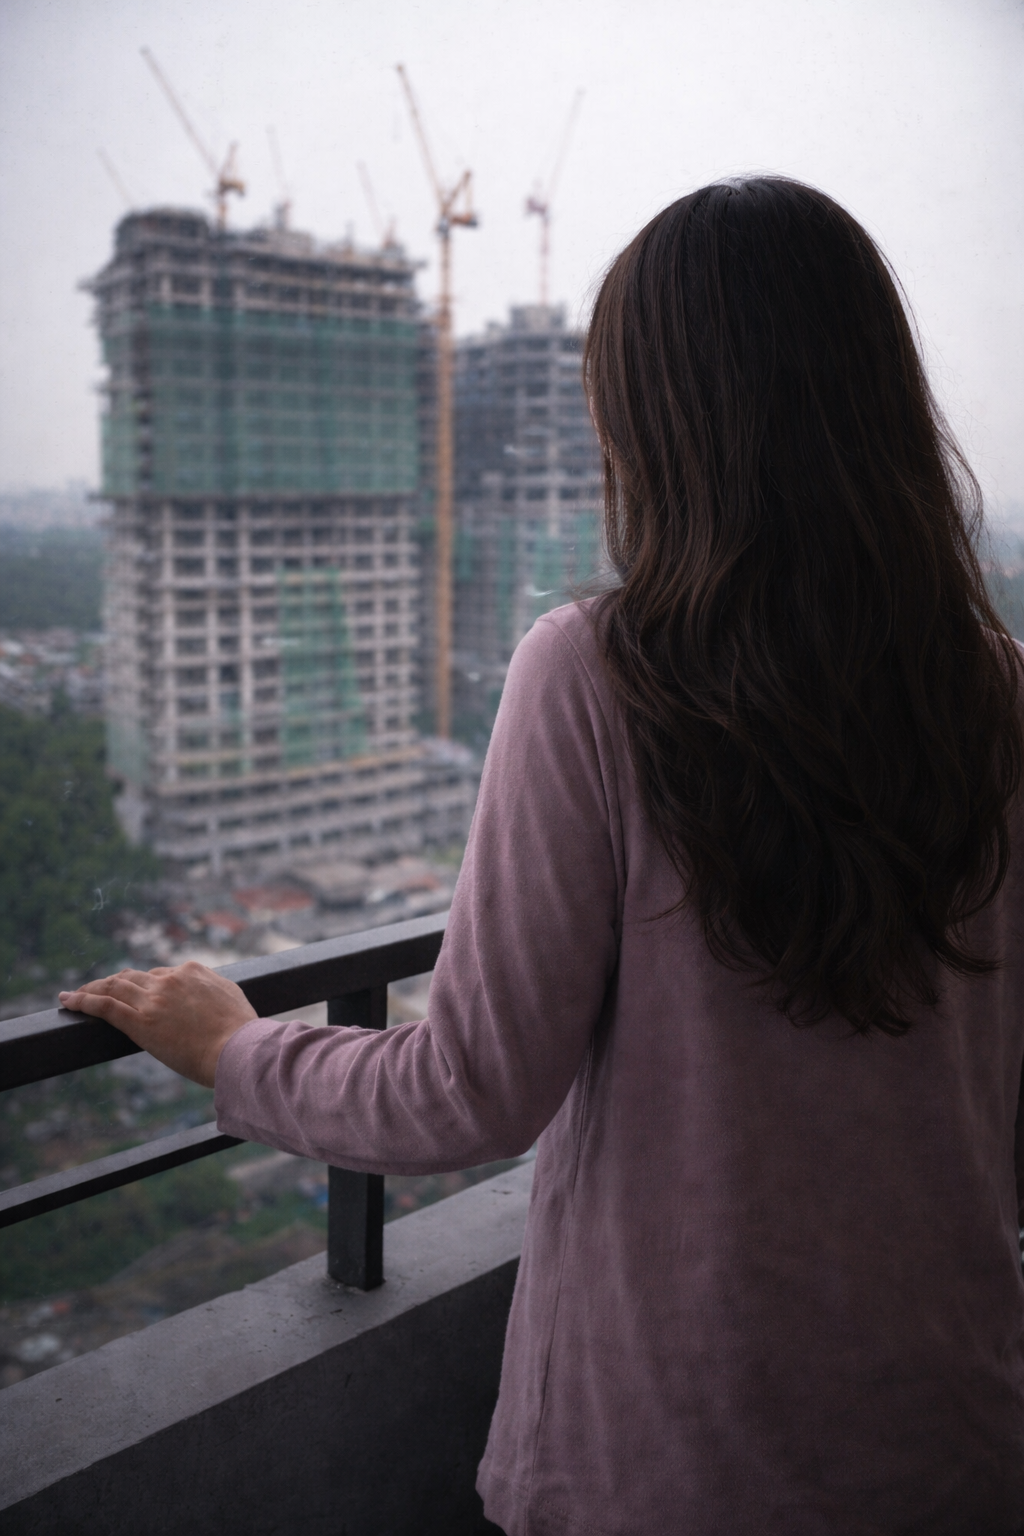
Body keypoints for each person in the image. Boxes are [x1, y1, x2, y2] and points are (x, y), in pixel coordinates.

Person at [61, 178, 1024, 1535]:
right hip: (949, 1444)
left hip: (678, 1462)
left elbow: (468, 1092)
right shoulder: (999, 695)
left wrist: (234, 1045)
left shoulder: (599, 676)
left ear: (658, 420)